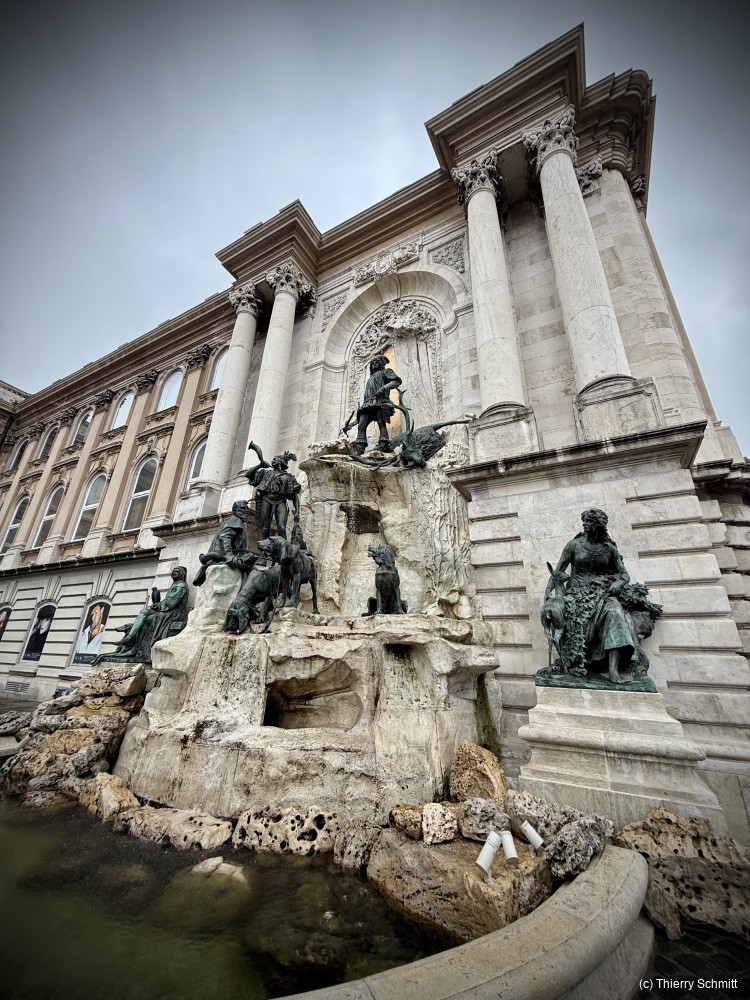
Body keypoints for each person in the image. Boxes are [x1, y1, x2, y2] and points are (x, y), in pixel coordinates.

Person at [547, 508, 637, 684]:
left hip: (601, 594)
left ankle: (613, 670)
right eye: (584, 521)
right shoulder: (573, 545)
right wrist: (548, 596)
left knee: (615, 612)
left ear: (598, 525)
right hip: (575, 595)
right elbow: (557, 572)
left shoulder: (609, 549)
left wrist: (618, 583)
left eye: (588, 522)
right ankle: (574, 660)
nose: (584, 524)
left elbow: (624, 574)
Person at [97, 566, 189, 664]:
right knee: (144, 612)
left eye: (177, 571)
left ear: (182, 574)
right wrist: (158, 604)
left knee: (153, 618)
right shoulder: (175, 584)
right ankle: (130, 638)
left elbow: (171, 603)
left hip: (174, 613)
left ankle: (136, 648)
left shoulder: (181, 586)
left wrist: (159, 605)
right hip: (167, 610)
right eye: (173, 571)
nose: (174, 573)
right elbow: (168, 602)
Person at [242, 444, 301, 540]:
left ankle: (284, 547)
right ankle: (265, 548)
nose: (272, 460)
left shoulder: (288, 477)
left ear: (280, 462)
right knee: (264, 528)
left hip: (280, 502)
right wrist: (260, 465)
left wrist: (297, 512)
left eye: (275, 459)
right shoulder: (265, 473)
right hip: (266, 500)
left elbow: (294, 496)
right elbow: (247, 475)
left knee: (282, 527)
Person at [193, 501, 255, 585]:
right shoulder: (235, 519)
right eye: (242, 508)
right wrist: (229, 555)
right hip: (224, 556)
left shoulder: (234, 520)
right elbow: (225, 537)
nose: (245, 511)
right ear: (234, 510)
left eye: (247, 508)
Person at [352, 354, 402, 455]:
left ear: (381, 364)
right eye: (372, 363)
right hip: (368, 404)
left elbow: (396, 381)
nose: (373, 364)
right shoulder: (371, 377)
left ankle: (383, 445)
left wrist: (384, 388)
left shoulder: (385, 372)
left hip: (380, 402)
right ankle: (360, 449)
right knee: (361, 425)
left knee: (381, 423)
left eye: (376, 362)